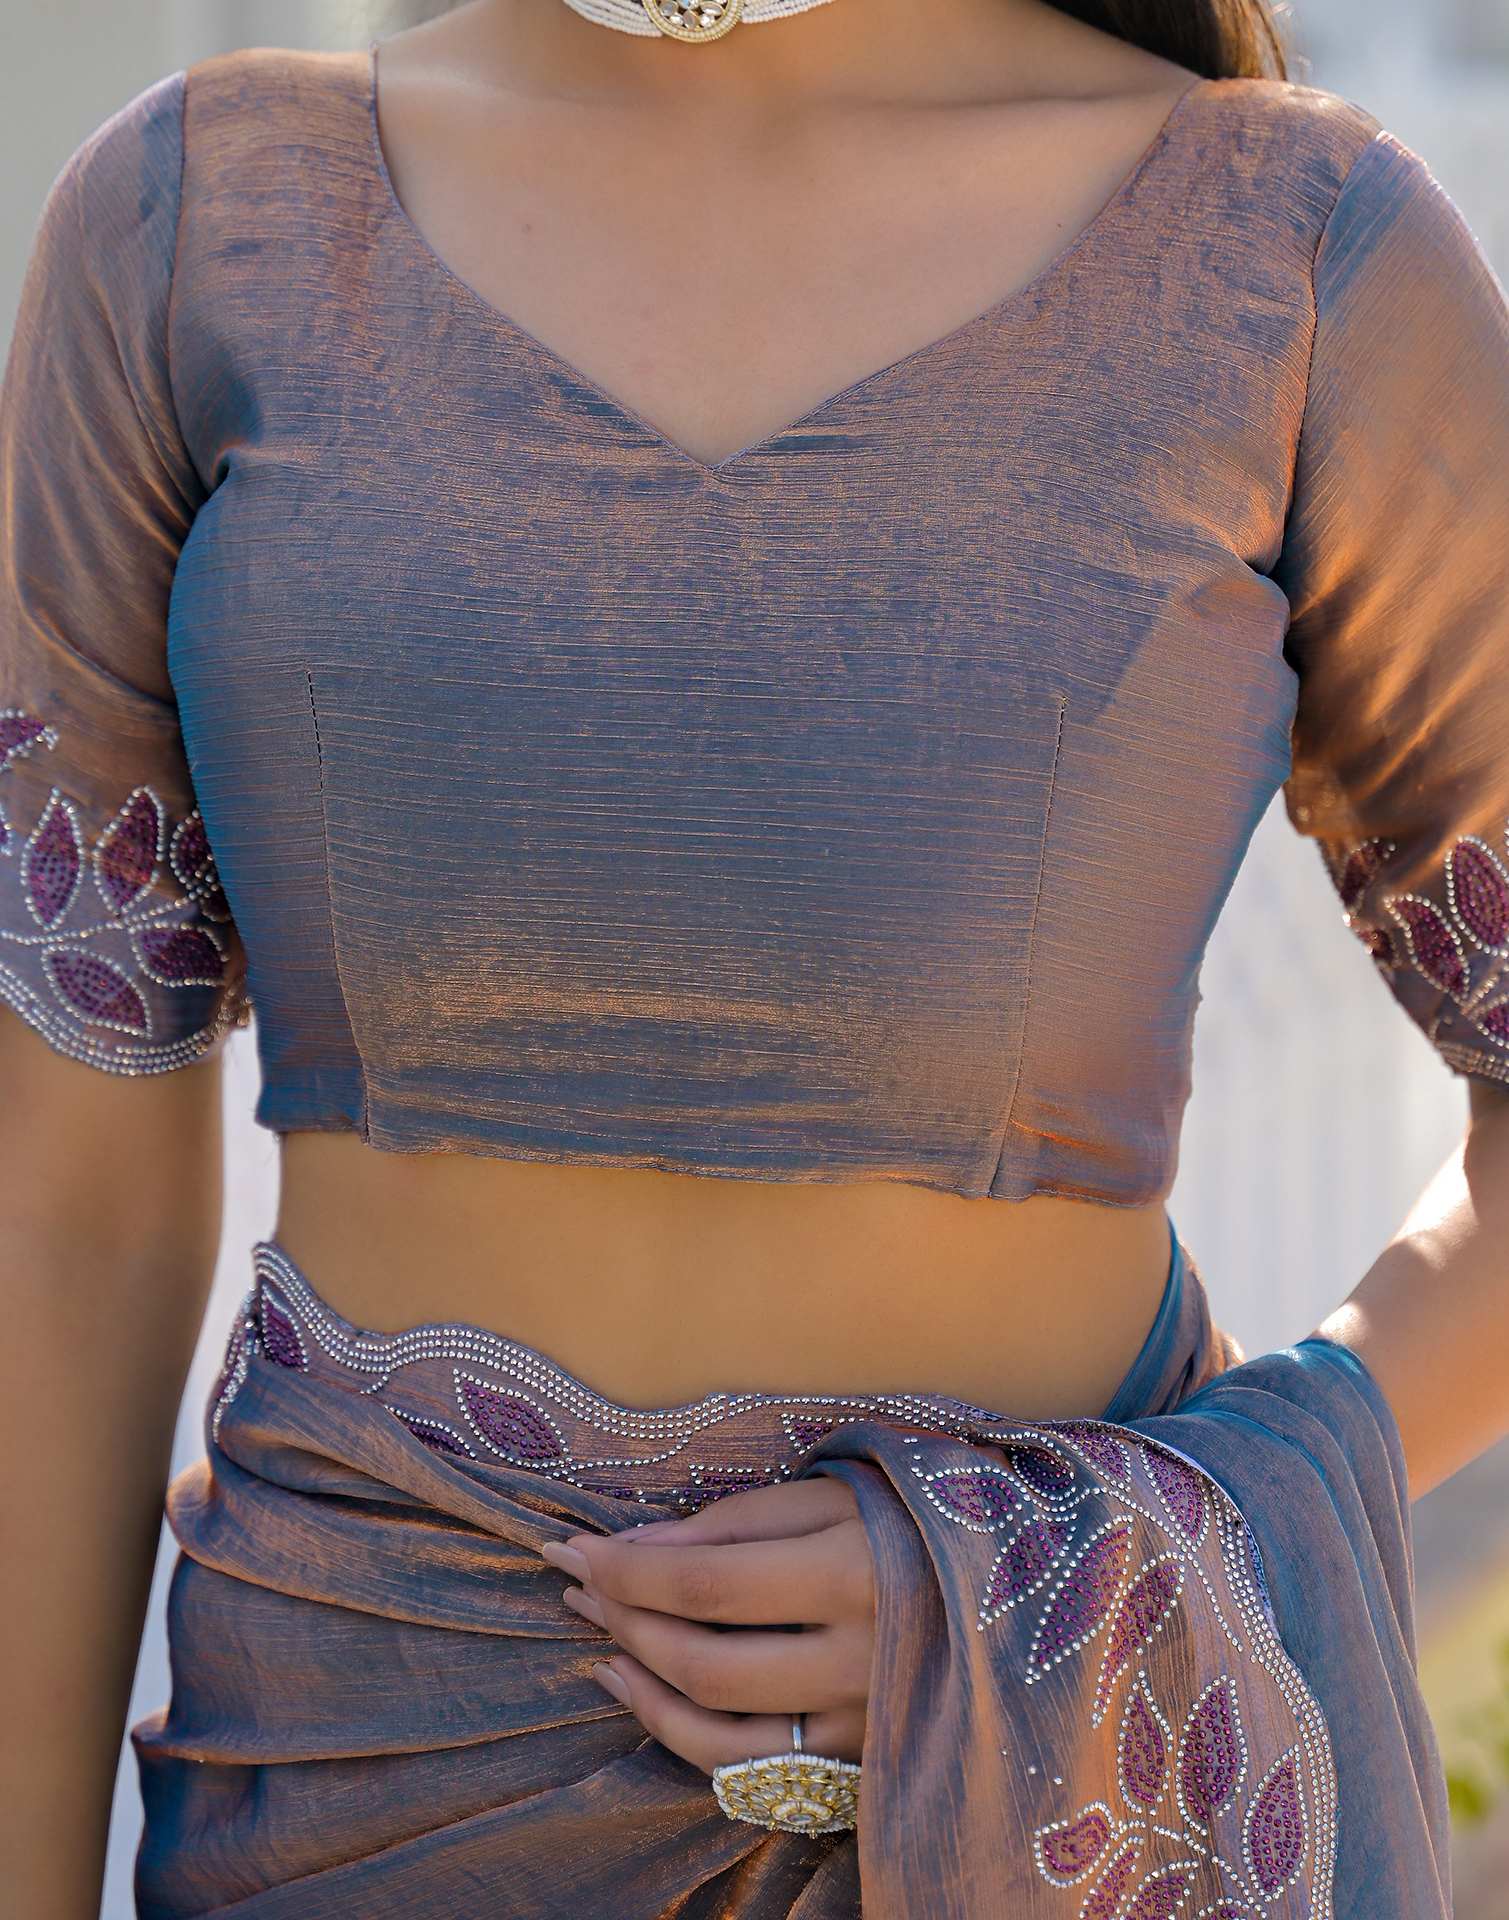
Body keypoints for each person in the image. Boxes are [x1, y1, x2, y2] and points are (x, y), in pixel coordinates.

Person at [2, 0, 1506, 1911]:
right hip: (359, 1779)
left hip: (1045, 1818)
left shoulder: (1297, 255)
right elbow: (61, 1217)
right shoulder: (197, 225)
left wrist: (1074, 1587)